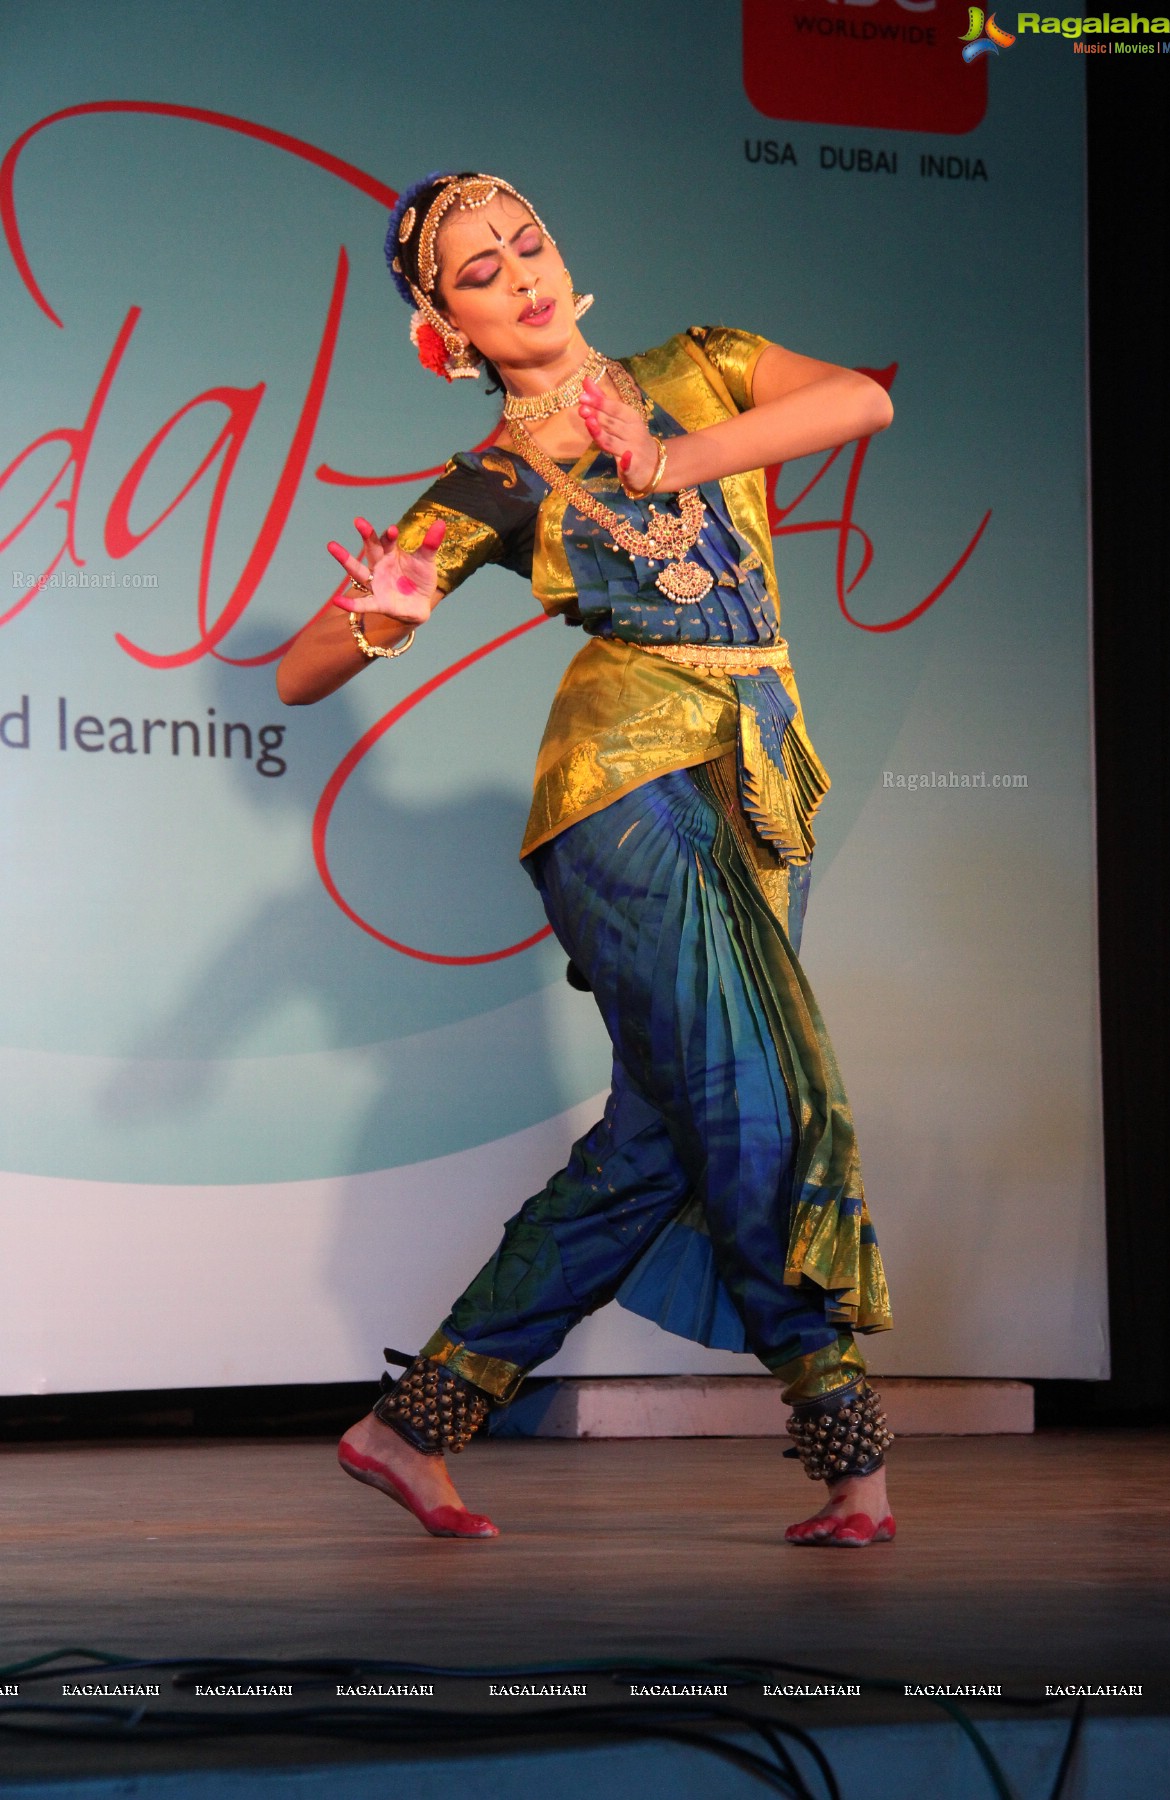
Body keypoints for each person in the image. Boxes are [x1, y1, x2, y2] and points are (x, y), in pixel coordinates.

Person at [277, 171, 896, 1547]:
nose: (522, 275)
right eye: (481, 273)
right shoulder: (492, 482)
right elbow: (300, 669)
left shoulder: (704, 367)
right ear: (447, 329)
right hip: (623, 790)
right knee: (753, 1098)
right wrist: (379, 614)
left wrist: (670, 456)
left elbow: (863, 398)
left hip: (751, 781)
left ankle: (411, 1423)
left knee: (659, 1139)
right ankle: (850, 1450)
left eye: (529, 244)